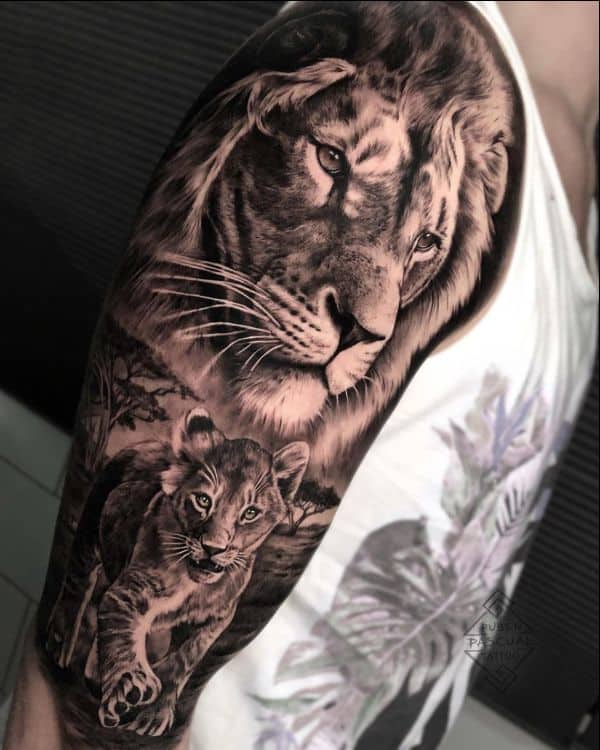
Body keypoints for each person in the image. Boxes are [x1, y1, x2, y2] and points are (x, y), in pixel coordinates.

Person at [4, 2, 597, 749]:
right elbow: (66, 717)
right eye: (335, 164)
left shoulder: (552, 171)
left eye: (422, 248)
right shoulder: (408, 37)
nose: (371, 315)